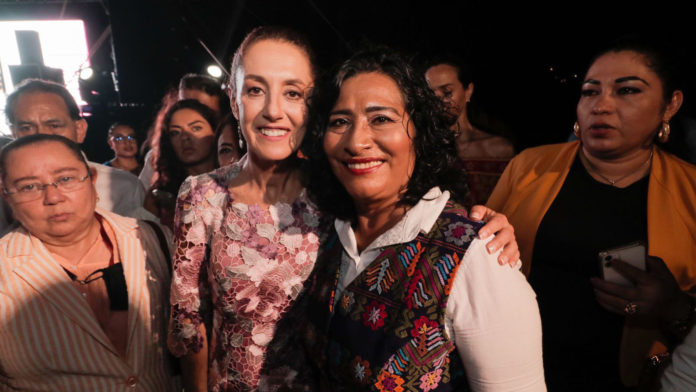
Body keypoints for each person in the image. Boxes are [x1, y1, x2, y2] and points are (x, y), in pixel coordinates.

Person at [167, 26, 520, 392]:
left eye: (292, 93)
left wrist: (482, 228)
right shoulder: (201, 195)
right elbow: (189, 324)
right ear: (233, 97)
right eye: (255, 90)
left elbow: (409, 214)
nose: (273, 110)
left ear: (312, 103)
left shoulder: (334, 190)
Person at [301, 47, 545, 392]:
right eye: (339, 122)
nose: (356, 141)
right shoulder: (326, 232)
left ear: (419, 131)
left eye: (381, 119)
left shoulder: (479, 258)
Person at [486, 38, 696, 390]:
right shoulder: (529, 166)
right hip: (516, 373)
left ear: (670, 105)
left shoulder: (690, 192)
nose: (602, 106)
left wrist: (673, 308)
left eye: (627, 90)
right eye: (589, 91)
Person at [0, 134, 175, 391]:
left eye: (66, 179)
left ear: (92, 180)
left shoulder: (153, 239)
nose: (53, 197)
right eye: (29, 187)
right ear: (7, 197)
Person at [2, 79, 154, 233]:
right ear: (13, 133)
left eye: (54, 126)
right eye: (27, 128)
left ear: (80, 129)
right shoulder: (5, 197)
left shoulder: (124, 187)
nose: (42, 136)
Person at [425, 56, 515, 205]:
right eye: (430, 95)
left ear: (468, 91)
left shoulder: (499, 149)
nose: (438, 102)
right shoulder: (422, 147)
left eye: (447, 92)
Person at [139, 74, 230, 189]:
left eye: (202, 111)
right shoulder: (157, 161)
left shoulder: (235, 159)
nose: (189, 112)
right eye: (184, 104)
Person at [143, 99, 218, 228]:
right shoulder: (159, 197)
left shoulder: (237, 183)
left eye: (196, 128)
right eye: (175, 132)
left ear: (215, 132)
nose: (185, 137)